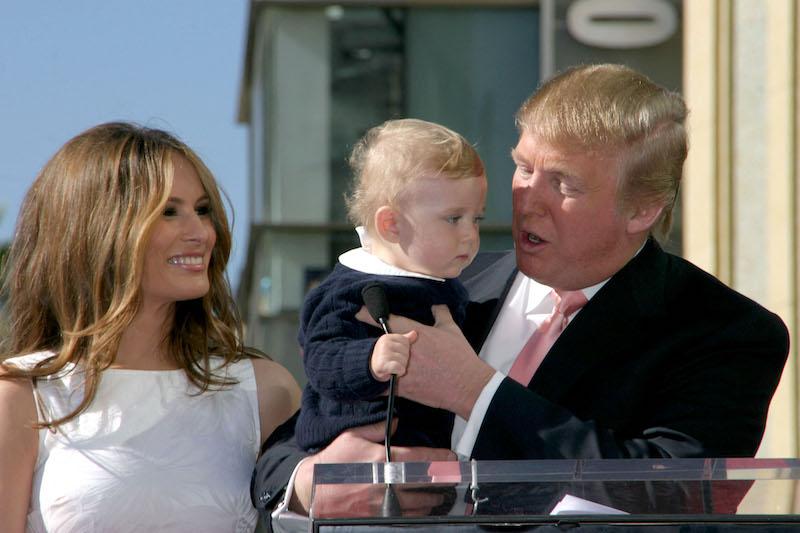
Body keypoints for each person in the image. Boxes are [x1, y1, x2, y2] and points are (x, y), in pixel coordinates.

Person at [252, 64, 789, 526]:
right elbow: (282, 451)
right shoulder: (434, 284)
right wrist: (310, 484)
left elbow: (677, 492)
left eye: (564, 184)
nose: (527, 199)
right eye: (524, 166)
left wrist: (476, 393)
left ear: (641, 209)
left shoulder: (727, 332)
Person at [0, 122, 302, 533]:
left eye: (202, 210)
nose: (201, 234)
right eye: (168, 212)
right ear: (97, 229)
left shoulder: (265, 391)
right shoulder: (22, 394)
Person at [295, 118, 487, 452]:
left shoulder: (446, 283)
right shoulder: (349, 290)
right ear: (391, 225)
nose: (470, 234)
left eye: (477, 218)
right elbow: (319, 358)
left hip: (426, 449)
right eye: (453, 219)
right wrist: (368, 359)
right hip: (354, 447)